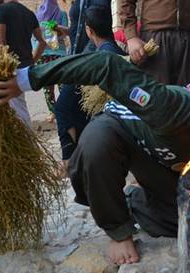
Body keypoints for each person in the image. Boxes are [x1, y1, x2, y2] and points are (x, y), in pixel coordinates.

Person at [0, 52, 190, 265]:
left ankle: (132, 201)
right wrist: (28, 78)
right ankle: (117, 227)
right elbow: (106, 66)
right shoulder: (171, 108)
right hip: (121, 135)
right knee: (96, 145)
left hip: (159, 160)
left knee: (185, 221)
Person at [52, 4, 122, 176]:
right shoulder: (112, 51)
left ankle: (69, 160)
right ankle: (75, 160)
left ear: (89, 31)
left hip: (84, 62)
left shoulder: (98, 56)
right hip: (83, 59)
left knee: (63, 107)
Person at [118, 0, 190, 86]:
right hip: (154, 40)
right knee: (156, 99)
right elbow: (125, 2)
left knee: (187, 100)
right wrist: (131, 37)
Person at [0, 0, 46, 127]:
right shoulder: (29, 13)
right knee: (15, 106)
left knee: (18, 110)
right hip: (25, 66)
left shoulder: (1, 10)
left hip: (9, 67)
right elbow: (42, 42)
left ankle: (28, 140)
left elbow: (1, 42)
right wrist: (32, 60)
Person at [34, 0, 69, 123]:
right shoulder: (37, 16)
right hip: (44, 54)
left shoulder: (62, 15)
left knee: (62, 85)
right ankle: (53, 112)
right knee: (48, 87)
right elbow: (34, 36)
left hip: (58, 53)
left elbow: (65, 34)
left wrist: (56, 28)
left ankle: (64, 110)